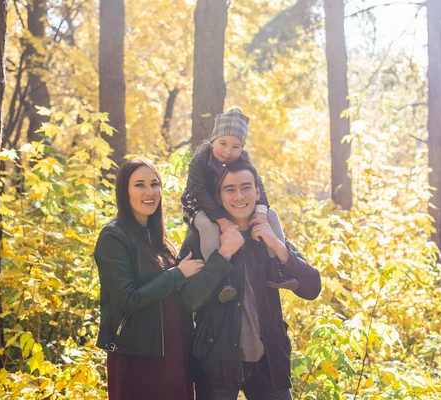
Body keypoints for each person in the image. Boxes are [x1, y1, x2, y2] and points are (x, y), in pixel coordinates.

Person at [178, 159, 322, 400]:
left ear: (257, 191)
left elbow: (312, 288)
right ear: (218, 195)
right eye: (230, 189)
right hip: (216, 362)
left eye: (246, 187)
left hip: (269, 361)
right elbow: (186, 300)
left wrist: (278, 245)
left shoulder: (269, 236)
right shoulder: (201, 239)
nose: (239, 196)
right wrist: (223, 255)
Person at [95, 158, 222, 400]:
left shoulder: (160, 240)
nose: (150, 192)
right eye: (139, 185)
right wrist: (177, 274)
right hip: (139, 354)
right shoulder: (113, 237)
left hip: (175, 350)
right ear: (124, 191)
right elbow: (129, 299)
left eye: (155, 184)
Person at [181, 107, 298, 303]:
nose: (228, 151)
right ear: (213, 141)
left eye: (235, 146)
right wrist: (222, 221)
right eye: (223, 143)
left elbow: (259, 187)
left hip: (226, 202)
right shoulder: (201, 160)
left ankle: (276, 270)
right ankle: (222, 279)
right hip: (198, 203)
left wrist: (261, 212)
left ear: (242, 148)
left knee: (272, 215)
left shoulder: (244, 159)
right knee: (209, 228)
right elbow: (199, 192)